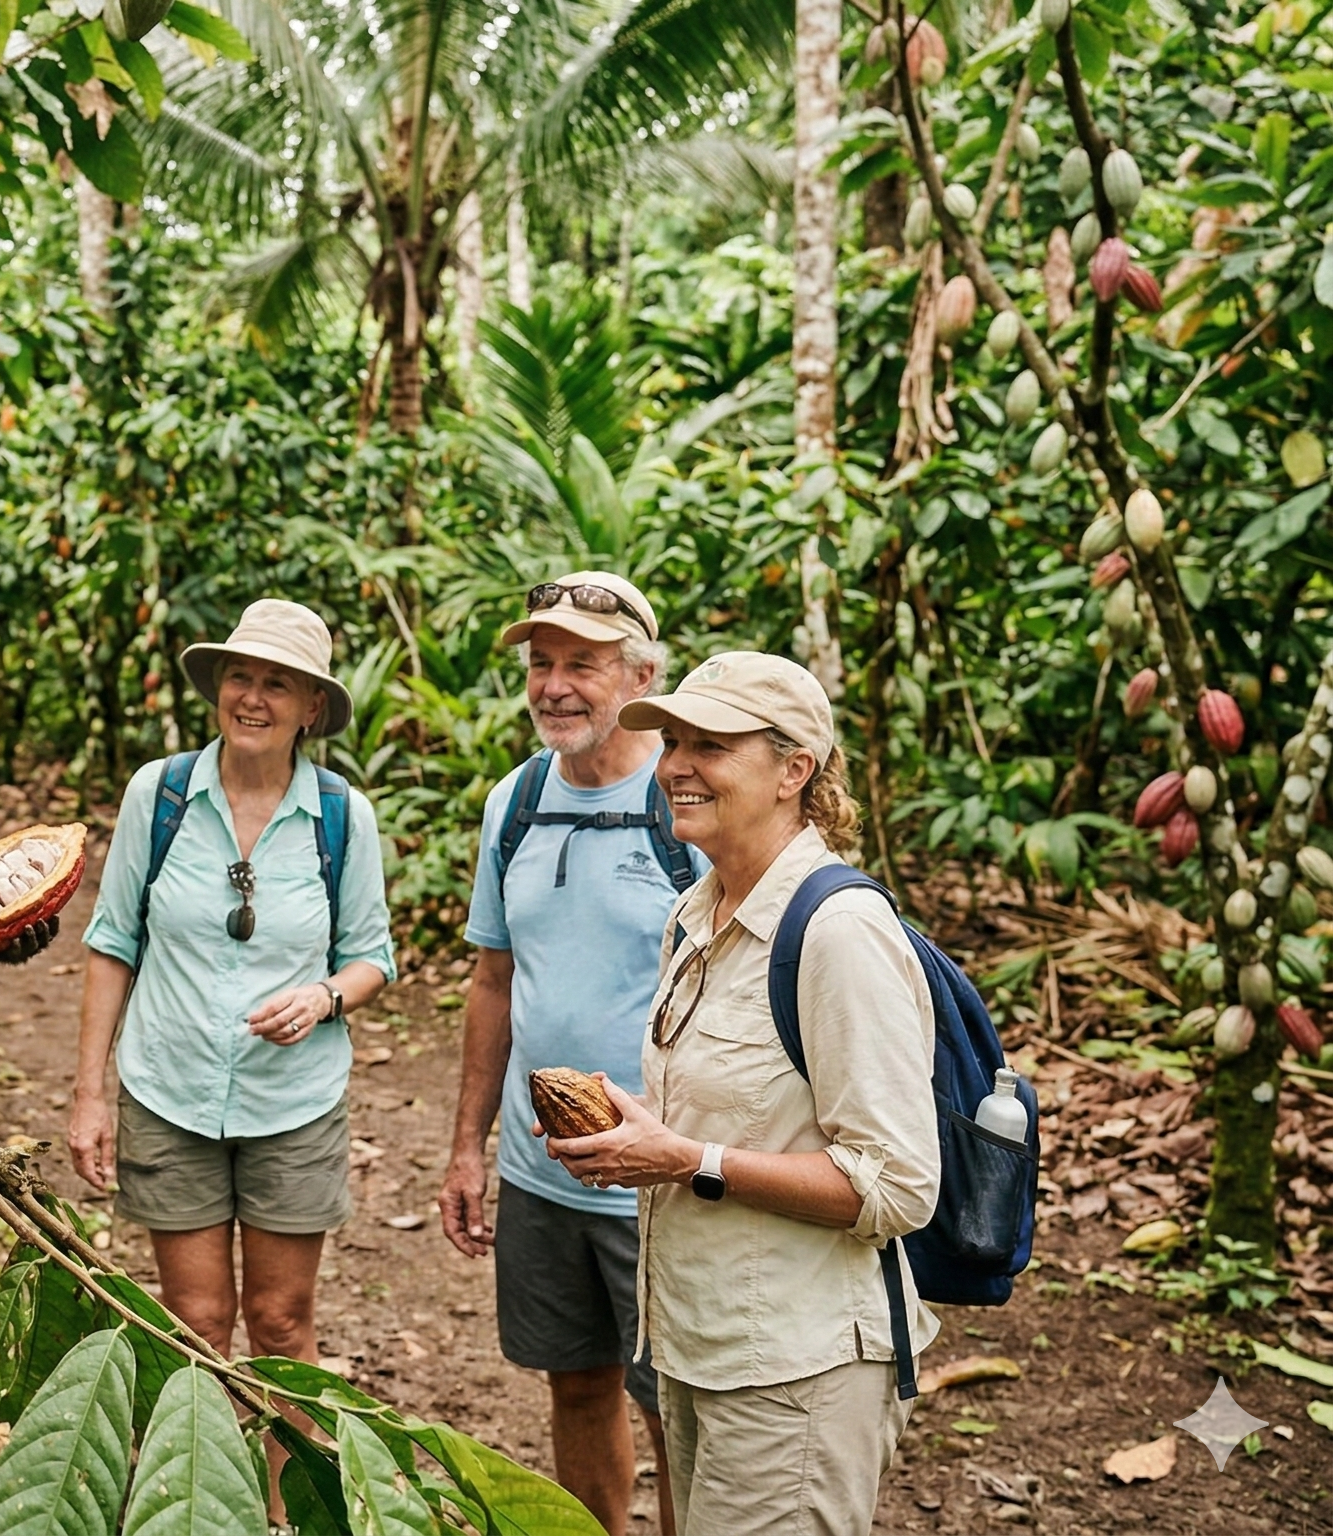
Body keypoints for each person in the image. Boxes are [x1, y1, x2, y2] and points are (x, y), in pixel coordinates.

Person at [544, 651, 940, 1536]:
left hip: (795, 1369)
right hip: (697, 1345)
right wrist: (646, 1136)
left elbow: (899, 1186)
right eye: (673, 740)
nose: (678, 763)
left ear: (794, 768)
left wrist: (688, 1160)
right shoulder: (698, 909)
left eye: (711, 745)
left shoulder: (840, 932)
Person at [66, 599, 395, 1441]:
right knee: (198, 1324)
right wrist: (89, 1096)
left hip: (294, 1103)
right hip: (168, 1091)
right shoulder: (162, 792)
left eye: (277, 684)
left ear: (311, 707)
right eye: (239, 677)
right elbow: (112, 943)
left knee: (281, 1327)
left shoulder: (340, 817)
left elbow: (371, 958)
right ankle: (197, 1502)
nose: (253, 697)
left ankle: (293, 1513)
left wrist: (323, 998)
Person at [441, 572, 693, 1536]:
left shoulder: (689, 798)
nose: (554, 685)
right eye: (541, 664)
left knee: (675, 1406)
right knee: (575, 1381)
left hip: (659, 1176)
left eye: (581, 665)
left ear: (641, 675)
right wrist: (470, 1146)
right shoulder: (515, 802)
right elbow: (494, 982)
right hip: (543, 1171)